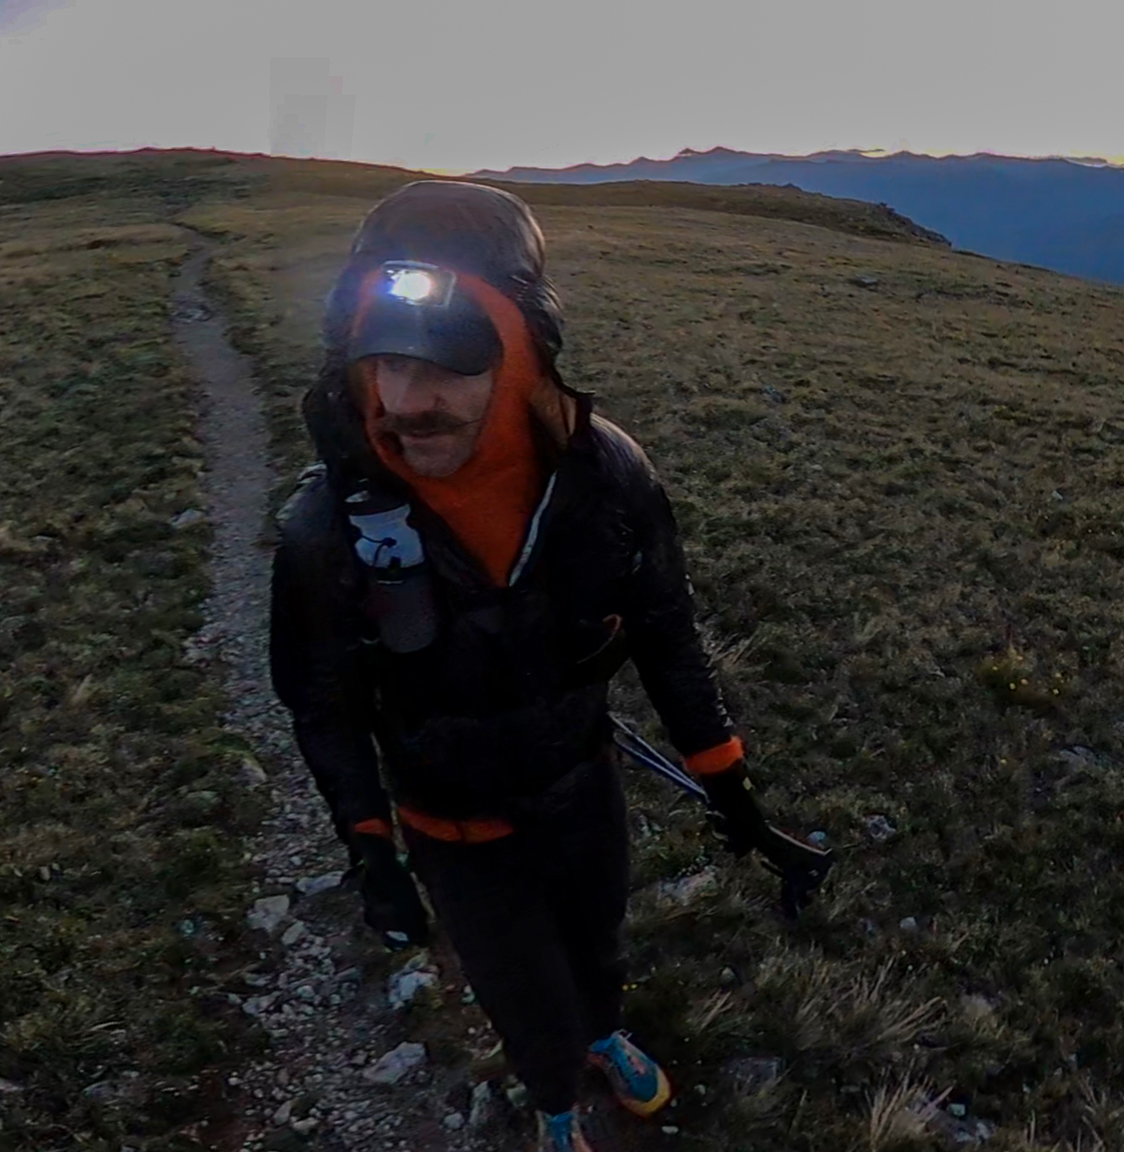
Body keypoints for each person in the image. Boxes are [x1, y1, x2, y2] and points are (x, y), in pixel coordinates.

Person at [268, 180, 778, 1152]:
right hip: (451, 825)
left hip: (582, 784)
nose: (401, 402)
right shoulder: (328, 530)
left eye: (448, 361)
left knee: (597, 942)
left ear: (524, 352)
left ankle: (603, 1030)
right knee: (514, 981)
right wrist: (370, 847)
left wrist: (726, 778)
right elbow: (322, 703)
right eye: (379, 361)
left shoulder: (607, 480)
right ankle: (553, 1104)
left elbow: (667, 634)